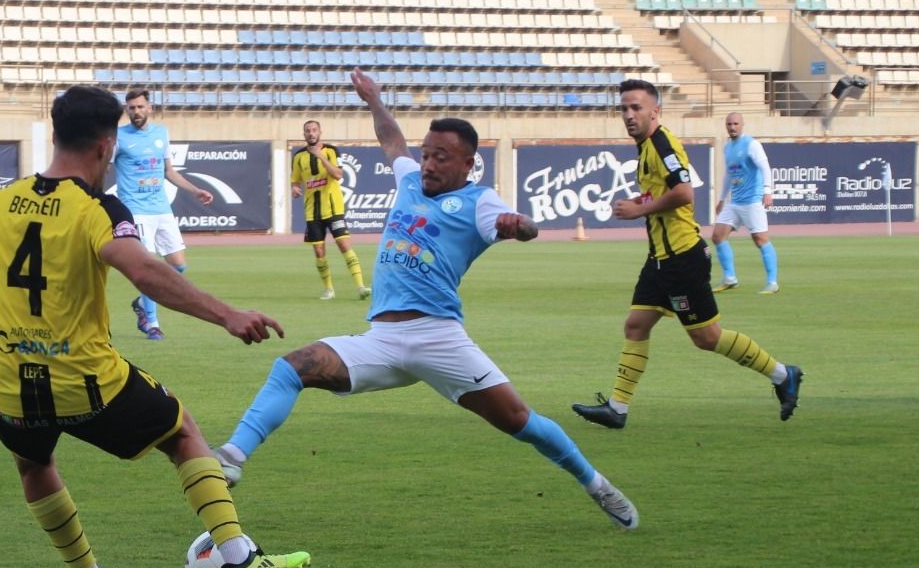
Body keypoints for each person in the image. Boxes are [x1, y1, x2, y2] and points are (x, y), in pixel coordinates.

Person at [0, 85, 310, 568]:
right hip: (85, 378)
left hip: (9, 381)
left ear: (55, 134)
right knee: (182, 433)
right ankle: (238, 557)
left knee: (34, 465)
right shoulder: (96, 208)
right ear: (107, 147)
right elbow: (145, 269)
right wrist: (227, 315)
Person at [214, 70, 638, 530]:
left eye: (442, 157)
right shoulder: (411, 180)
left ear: (468, 164)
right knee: (292, 366)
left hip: (438, 339)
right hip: (382, 340)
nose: (429, 164)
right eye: (427, 154)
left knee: (521, 421)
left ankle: (597, 485)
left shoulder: (480, 202)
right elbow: (392, 139)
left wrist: (521, 227)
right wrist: (374, 100)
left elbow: (524, 226)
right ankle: (232, 458)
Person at [571, 79, 802, 430]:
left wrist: (638, 211)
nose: (629, 115)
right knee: (636, 325)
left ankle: (783, 374)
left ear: (655, 111)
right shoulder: (647, 147)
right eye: (623, 108)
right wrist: (641, 202)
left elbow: (684, 193)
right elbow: (663, 192)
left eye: (636, 108)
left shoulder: (663, 145)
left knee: (706, 338)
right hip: (660, 259)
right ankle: (617, 409)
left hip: (681, 259)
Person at [110, 88, 214, 341]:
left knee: (178, 265)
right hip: (135, 210)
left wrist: (195, 190)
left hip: (161, 208)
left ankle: (142, 301)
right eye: (132, 108)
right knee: (148, 267)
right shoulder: (118, 137)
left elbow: (169, 171)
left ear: (149, 107)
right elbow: (102, 165)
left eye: (140, 107)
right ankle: (152, 323)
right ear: (127, 110)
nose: (136, 111)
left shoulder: (161, 134)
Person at [291, 120, 371, 300]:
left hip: (333, 208)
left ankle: (360, 286)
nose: (311, 133)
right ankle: (329, 289)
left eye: (314, 130)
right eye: (307, 131)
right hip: (312, 211)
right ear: (303, 134)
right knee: (319, 251)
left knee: (344, 245)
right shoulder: (298, 157)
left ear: (320, 132)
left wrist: (320, 156)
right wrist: (294, 188)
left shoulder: (331, 151)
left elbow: (338, 174)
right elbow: (295, 179)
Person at [709, 112, 779, 294]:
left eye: (735, 124)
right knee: (717, 236)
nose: (732, 127)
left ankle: (772, 282)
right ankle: (730, 278)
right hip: (735, 202)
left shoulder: (751, 144)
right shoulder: (727, 148)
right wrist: (722, 199)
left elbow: (765, 167)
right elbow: (729, 175)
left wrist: (767, 191)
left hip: (752, 201)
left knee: (760, 240)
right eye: (729, 124)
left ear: (742, 125)